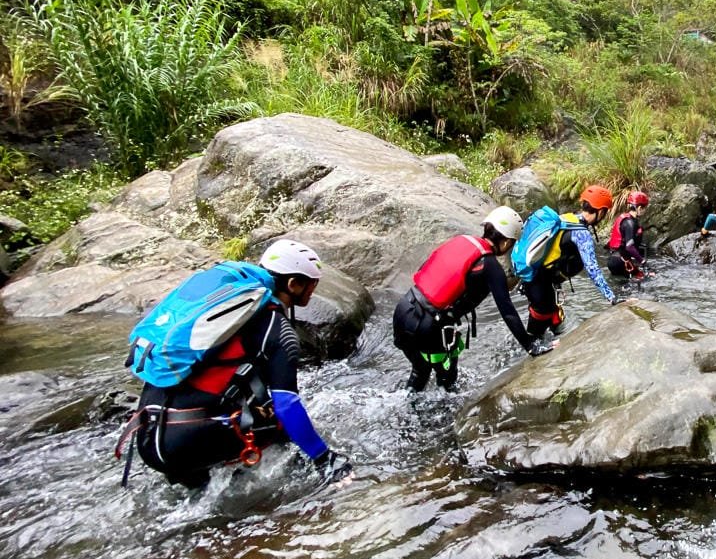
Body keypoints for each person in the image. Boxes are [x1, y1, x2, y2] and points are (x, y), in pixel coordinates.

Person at [124, 240, 352, 489]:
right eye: (312, 283)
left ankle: (200, 479)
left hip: (147, 435)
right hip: (182, 443)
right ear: (293, 284)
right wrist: (324, 458)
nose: (313, 290)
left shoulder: (227, 307)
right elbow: (287, 404)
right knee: (280, 425)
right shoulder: (277, 330)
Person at [394, 206, 552, 393]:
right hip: (428, 327)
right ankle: (449, 419)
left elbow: (426, 269)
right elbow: (508, 312)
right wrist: (531, 346)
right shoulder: (491, 266)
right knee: (448, 379)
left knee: (420, 371)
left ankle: (409, 409)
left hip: (403, 310)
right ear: (507, 241)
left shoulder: (460, 240)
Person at [525, 185, 622, 342]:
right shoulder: (582, 233)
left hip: (534, 279)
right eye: (605, 212)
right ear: (601, 211)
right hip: (542, 287)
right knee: (535, 340)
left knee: (539, 332)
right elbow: (593, 270)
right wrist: (612, 298)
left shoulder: (566, 218)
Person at [607, 190, 655, 281]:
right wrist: (643, 261)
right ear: (639, 208)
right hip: (621, 261)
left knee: (621, 287)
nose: (645, 211)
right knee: (647, 278)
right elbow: (629, 247)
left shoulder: (624, 218)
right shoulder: (630, 223)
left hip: (613, 260)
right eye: (645, 208)